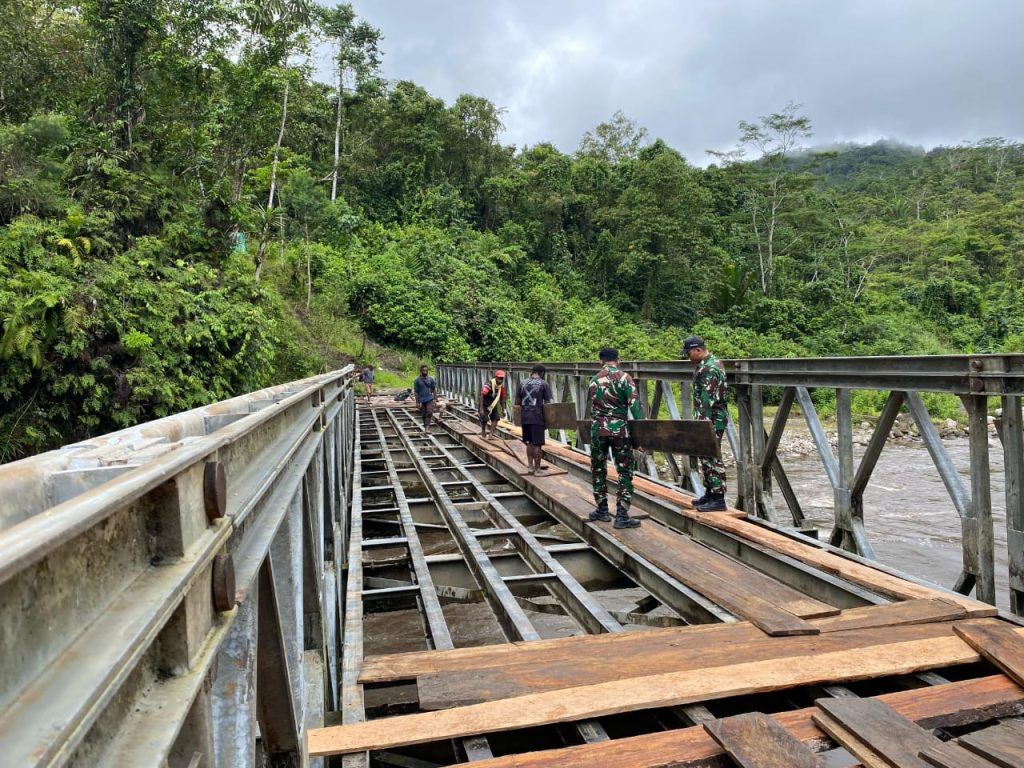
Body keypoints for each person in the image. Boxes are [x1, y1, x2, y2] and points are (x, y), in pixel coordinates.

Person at [587, 348, 644, 529]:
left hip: (598, 430)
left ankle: (602, 510)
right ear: (618, 360)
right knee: (624, 471)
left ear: (600, 361)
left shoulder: (594, 380)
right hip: (620, 430)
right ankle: (622, 515)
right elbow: (635, 406)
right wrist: (642, 435)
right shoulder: (625, 378)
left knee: (598, 468)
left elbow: (592, 407)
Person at [682, 335, 729, 511]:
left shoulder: (710, 368)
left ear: (698, 350)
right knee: (706, 455)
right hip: (707, 417)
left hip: (712, 418)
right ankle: (710, 493)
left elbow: (707, 400)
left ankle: (718, 498)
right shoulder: (706, 364)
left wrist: (701, 424)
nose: (688, 357)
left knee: (712, 456)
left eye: (689, 353)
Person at [515, 364, 553, 475]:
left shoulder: (522, 383)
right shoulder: (544, 384)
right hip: (537, 417)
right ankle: (537, 469)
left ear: (532, 372)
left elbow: (517, 402)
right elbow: (548, 403)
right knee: (537, 444)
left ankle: (530, 467)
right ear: (542, 373)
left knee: (529, 442)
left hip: (525, 417)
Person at [479, 369, 507, 440]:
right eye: (499, 378)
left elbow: (502, 399)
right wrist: (481, 409)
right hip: (484, 403)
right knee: (484, 418)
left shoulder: (501, 388)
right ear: (496, 377)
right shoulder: (489, 385)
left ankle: (491, 434)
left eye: (502, 378)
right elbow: (482, 395)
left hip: (493, 404)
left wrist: (503, 410)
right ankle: (483, 430)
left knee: (496, 418)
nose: (500, 380)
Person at [413, 365, 437, 430]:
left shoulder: (431, 379)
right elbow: (416, 392)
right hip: (421, 400)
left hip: (429, 398)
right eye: (423, 370)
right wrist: (417, 402)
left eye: (426, 370)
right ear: (421, 371)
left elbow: (434, 389)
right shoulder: (417, 380)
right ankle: (425, 426)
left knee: (429, 412)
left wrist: (435, 399)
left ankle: (427, 428)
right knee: (423, 414)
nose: (425, 372)